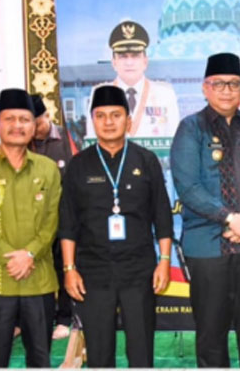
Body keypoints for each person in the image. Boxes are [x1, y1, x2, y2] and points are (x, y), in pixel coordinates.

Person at [170, 52, 240, 367]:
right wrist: (231, 219)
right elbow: (188, 186)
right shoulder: (190, 128)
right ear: (205, 88)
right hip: (208, 248)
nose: (226, 90)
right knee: (211, 337)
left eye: (233, 84)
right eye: (218, 84)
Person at [59, 85, 173, 367]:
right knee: (99, 354)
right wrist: (69, 269)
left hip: (139, 269)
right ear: (92, 121)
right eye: (101, 116)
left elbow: (162, 216)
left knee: (141, 350)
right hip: (93, 270)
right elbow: (68, 222)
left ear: (128, 121)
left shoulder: (146, 160)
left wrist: (164, 261)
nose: (108, 122)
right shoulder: (79, 165)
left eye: (116, 115)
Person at [0, 88, 61, 367]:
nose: (17, 125)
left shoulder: (47, 168)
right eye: (10, 119)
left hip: (38, 279)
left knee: (40, 359)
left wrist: (29, 254)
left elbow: (52, 219)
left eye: (24, 119)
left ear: (34, 126)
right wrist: (11, 258)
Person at [30, 93, 75, 340]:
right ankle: (39, 319)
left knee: (64, 267)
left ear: (47, 115)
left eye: (37, 122)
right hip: (33, 224)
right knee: (38, 271)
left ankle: (64, 319)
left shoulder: (65, 140)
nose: (34, 129)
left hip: (63, 218)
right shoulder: (24, 144)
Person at [86, 20, 179, 139]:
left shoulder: (165, 94)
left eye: (135, 56)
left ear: (145, 61)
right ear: (114, 62)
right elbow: (93, 140)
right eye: (123, 56)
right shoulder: (99, 95)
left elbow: (174, 140)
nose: (129, 63)